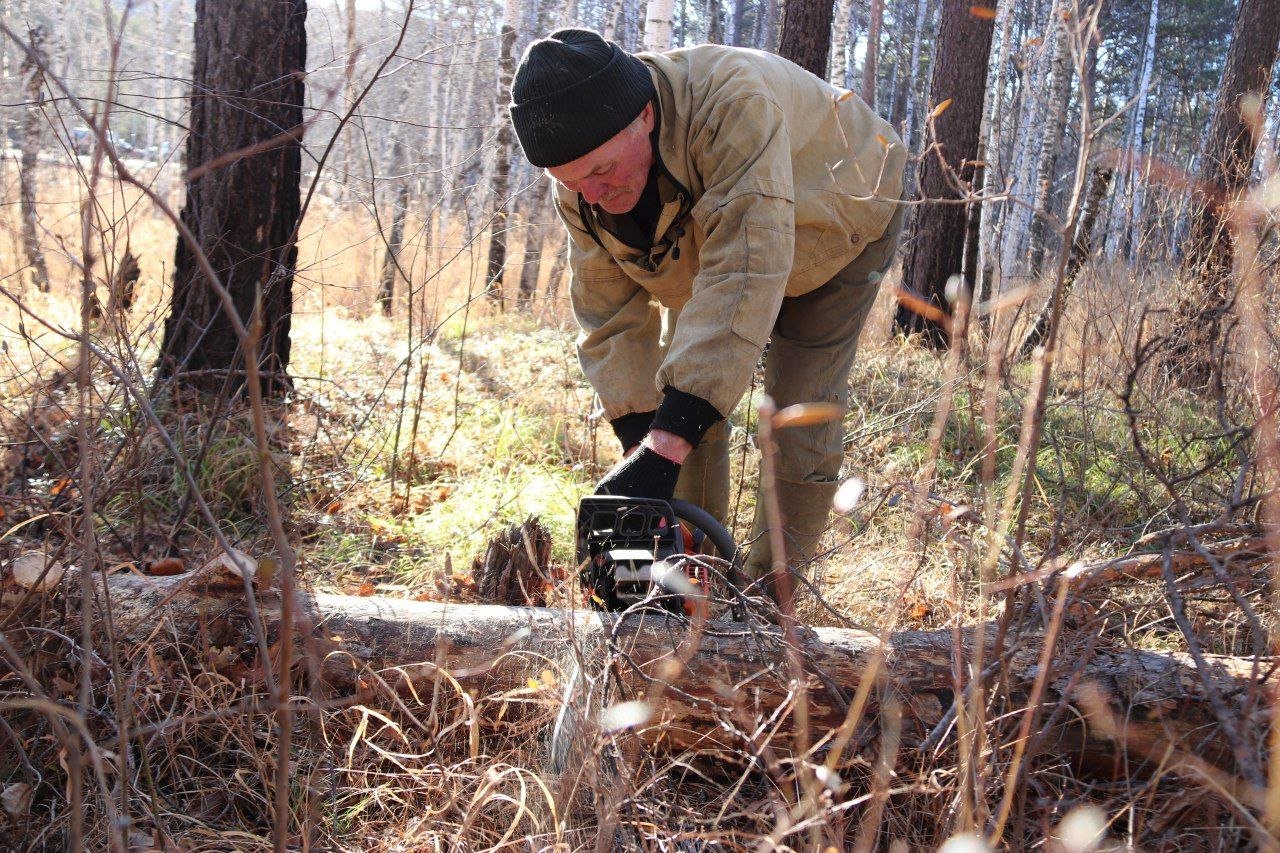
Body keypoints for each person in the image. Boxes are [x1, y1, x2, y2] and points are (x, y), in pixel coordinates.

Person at [508, 29, 905, 590]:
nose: (589, 193)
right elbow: (609, 315)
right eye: (568, 182)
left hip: (839, 211)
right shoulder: (580, 178)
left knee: (796, 411)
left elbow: (746, 269)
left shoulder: (731, 106)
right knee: (673, 422)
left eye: (600, 172)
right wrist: (641, 454)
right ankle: (694, 586)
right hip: (716, 240)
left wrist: (666, 444)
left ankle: (773, 605)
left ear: (644, 115)